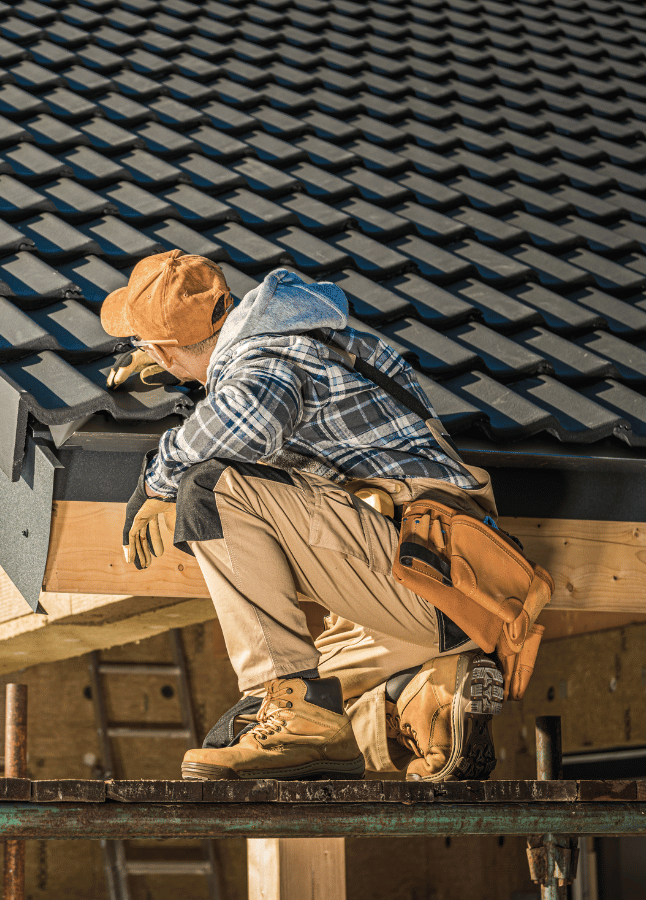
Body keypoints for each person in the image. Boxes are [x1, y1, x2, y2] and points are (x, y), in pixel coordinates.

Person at [100, 250, 509, 782]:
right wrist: (194, 372)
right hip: (444, 597)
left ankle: (299, 716)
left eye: (144, 343)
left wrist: (158, 479)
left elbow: (248, 419)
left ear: (162, 347)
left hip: (426, 572)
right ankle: (430, 700)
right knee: (246, 730)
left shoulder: (266, 355)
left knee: (208, 487)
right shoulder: (298, 341)